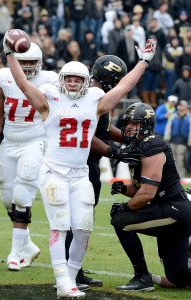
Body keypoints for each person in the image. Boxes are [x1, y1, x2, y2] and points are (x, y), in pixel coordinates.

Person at [3, 33, 156, 298]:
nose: (73, 84)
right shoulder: (47, 100)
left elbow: (123, 88)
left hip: (80, 174)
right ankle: (62, 279)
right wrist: (9, 54)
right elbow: (22, 83)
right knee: (60, 225)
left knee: (83, 228)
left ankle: (72, 277)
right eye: (69, 79)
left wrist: (143, 61)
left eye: (78, 79)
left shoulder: (94, 102)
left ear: (86, 82)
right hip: (53, 171)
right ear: (61, 80)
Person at [66, 55, 143, 289]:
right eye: (118, 79)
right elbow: (88, 138)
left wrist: (132, 139)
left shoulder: (98, 96)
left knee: (83, 219)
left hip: (88, 164)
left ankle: (74, 270)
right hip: (80, 163)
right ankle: (69, 272)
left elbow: (105, 129)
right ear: (110, 79)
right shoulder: (89, 97)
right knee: (76, 221)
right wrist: (116, 153)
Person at [0, 43, 59, 271]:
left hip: (35, 141)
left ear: (40, 62)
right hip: (9, 142)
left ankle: (15, 253)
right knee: (7, 197)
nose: (27, 66)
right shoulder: (5, 77)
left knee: (22, 191)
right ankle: (27, 245)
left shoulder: (50, 79)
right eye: (23, 61)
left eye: (31, 62)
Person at [110, 102, 191, 291]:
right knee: (179, 277)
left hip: (174, 210)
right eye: (127, 122)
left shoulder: (152, 146)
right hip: (169, 209)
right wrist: (124, 189)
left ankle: (142, 278)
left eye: (134, 123)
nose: (128, 126)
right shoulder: (139, 144)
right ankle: (149, 278)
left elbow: (147, 194)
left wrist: (125, 207)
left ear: (146, 124)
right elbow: (140, 187)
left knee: (121, 220)